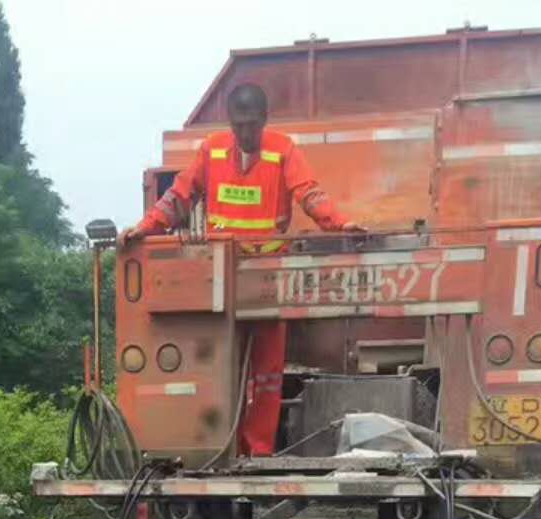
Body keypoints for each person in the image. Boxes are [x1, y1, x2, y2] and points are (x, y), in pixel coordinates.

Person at [121, 82, 364, 456]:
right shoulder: (212, 151)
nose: (245, 133)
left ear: (264, 120)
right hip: (222, 277)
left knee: (266, 374)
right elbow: (178, 196)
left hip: (267, 277)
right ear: (230, 122)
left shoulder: (282, 151)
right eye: (238, 125)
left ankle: (258, 450)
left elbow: (309, 193)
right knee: (220, 368)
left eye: (251, 124)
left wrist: (340, 224)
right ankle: (222, 447)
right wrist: (145, 227)